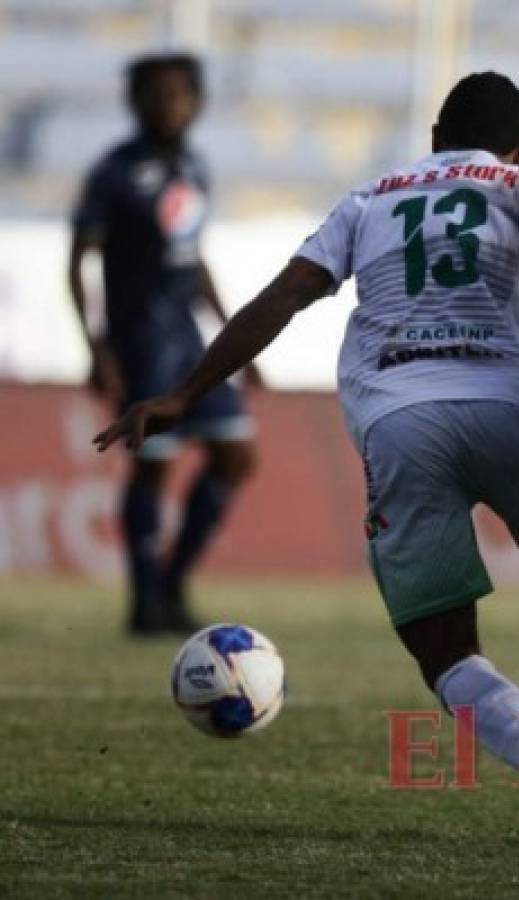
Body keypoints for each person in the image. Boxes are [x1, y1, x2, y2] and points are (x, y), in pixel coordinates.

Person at [94, 73, 519, 849]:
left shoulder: (368, 199)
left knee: (445, 648)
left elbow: (284, 294)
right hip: (505, 411)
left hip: (400, 424)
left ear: (434, 135)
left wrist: (186, 391)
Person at [69, 54, 259, 635]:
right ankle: (145, 602)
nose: (168, 104)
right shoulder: (114, 172)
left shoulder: (195, 168)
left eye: (179, 94)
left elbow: (194, 259)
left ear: (197, 102)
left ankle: (173, 585)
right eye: (156, 94)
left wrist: (239, 340)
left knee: (236, 454)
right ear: (137, 102)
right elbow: (77, 261)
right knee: (154, 465)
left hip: (191, 339)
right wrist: (97, 349)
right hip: (140, 338)